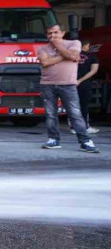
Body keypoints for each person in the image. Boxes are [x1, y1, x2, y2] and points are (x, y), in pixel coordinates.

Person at [37, 24, 98, 153]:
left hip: (68, 84)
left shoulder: (74, 43)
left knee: (75, 113)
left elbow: (75, 56)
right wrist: (66, 56)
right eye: (49, 33)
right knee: (50, 114)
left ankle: (85, 141)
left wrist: (58, 46)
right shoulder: (42, 48)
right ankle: (53, 139)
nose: (52, 36)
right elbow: (45, 63)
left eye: (55, 33)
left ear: (63, 33)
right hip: (47, 84)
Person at [73, 38, 99, 134]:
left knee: (73, 106)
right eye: (88, 45)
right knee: (84, 106)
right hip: (85, 84)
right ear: (85, 45)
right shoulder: (92, 57)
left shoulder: (71, 56)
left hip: (71, 84)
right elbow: (94, 71)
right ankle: (84, 127)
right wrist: (80, 80)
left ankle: (73, 127)